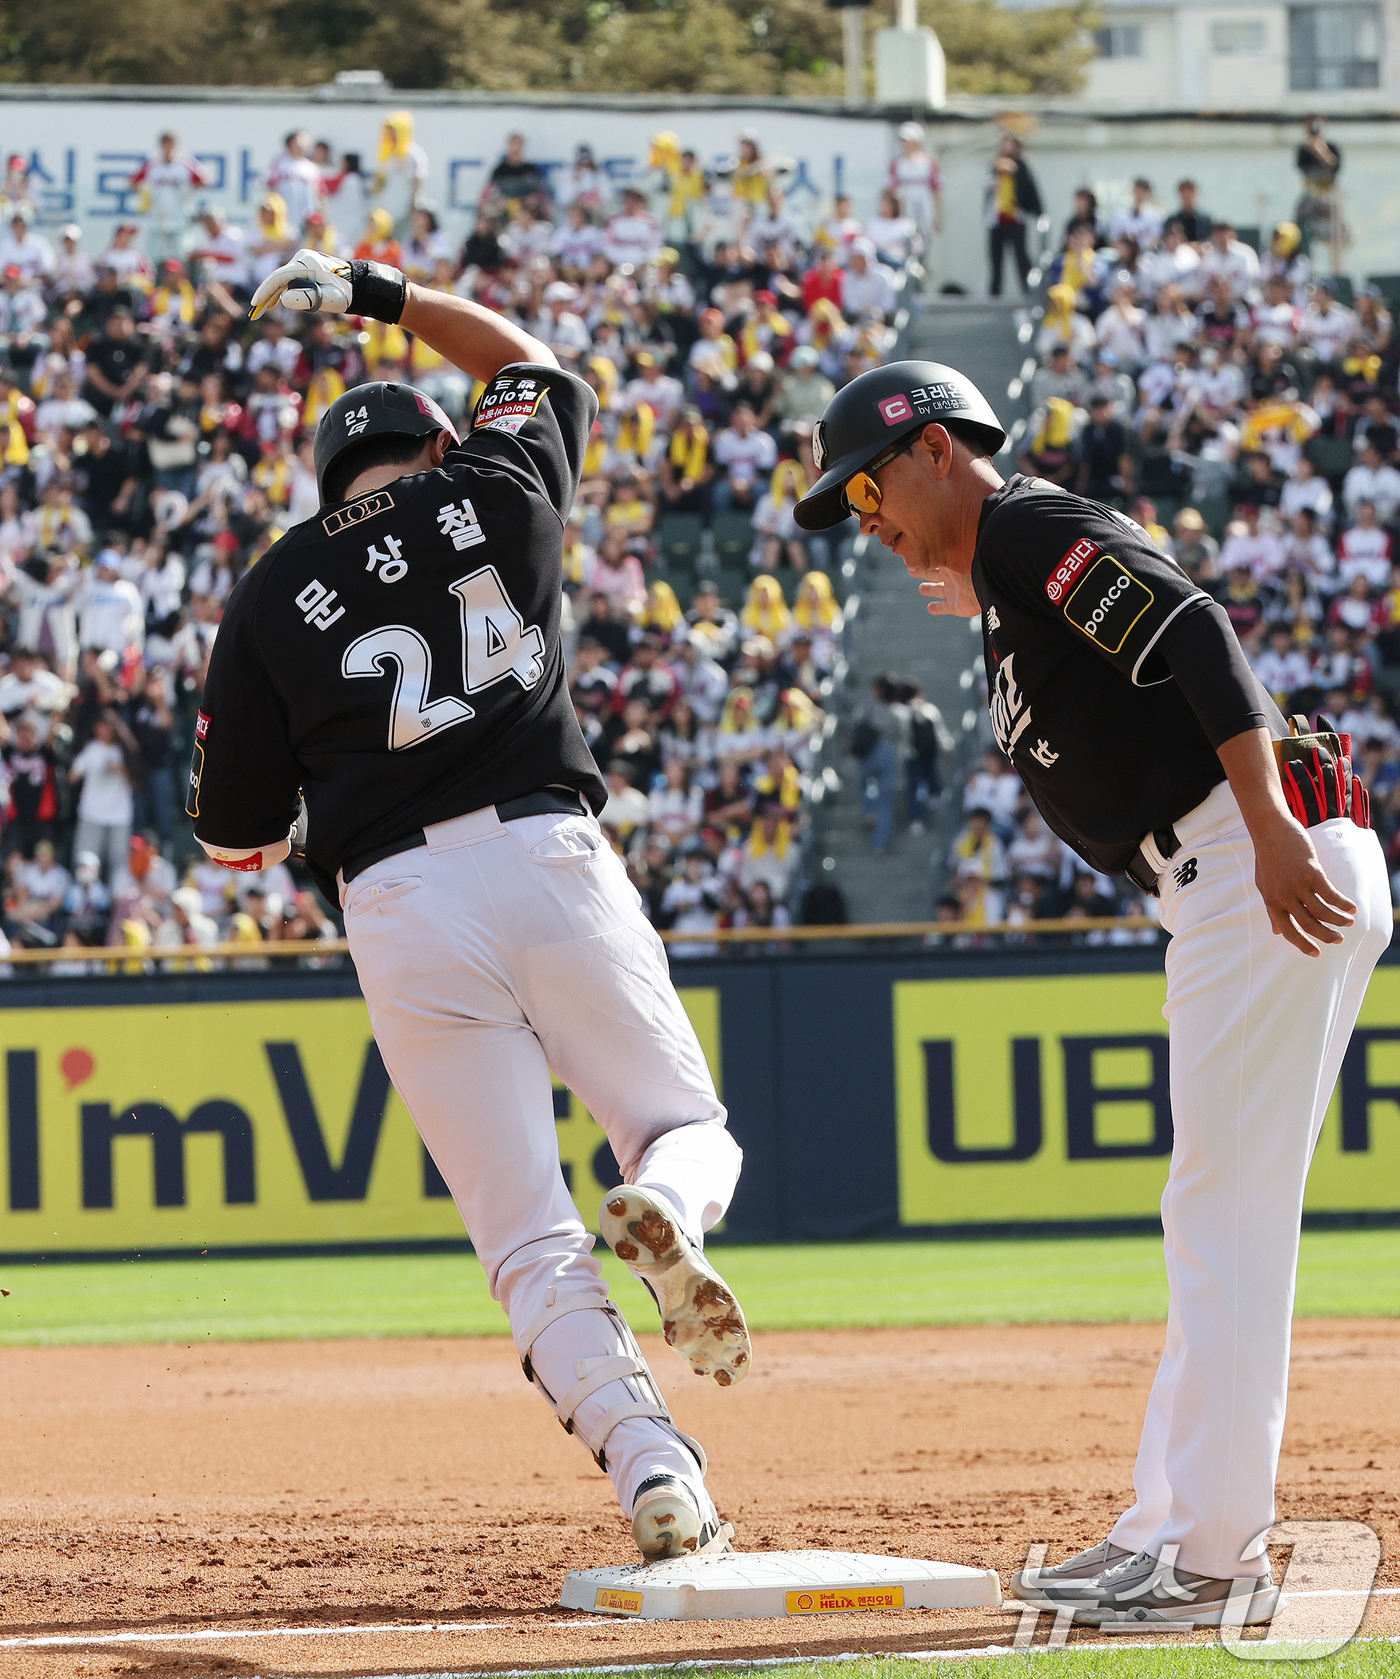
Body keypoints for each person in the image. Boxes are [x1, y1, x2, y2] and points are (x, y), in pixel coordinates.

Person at [794, 357, 1388, 1629]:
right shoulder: (1003, 574)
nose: (866, 519)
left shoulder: (1019, 526)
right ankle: (1169, 1527)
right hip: (1223, 867)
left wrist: (1269, 823)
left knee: (1220, 1218)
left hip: (1244, 856)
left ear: (934, 450)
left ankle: (1209, 1551)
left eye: (867, 487)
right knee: (1215, 1213)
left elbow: (1190, 630)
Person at [189, 242, 751, 1564]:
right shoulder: (496, 485)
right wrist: (383, 294)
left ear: (328, 479)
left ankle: (656, 1468)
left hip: (397, 901)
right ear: (440, 436)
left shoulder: (269, 590)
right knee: (683, 1120)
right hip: (549, 851)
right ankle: (668, 1201)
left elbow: (234, 835)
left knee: (526, 1236)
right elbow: (532, 364)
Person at [129, 132, 208, 265]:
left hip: (180, 216)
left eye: (170, 144)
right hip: (158, 215)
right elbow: (133, 181)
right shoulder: (153, 165)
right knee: (155, 256)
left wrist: (187, 195)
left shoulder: (185, 164)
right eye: (164, 144)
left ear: (175, 145)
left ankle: (183, 284)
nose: (167, 147)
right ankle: (158, 284)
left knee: (181, 255)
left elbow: (204, 180)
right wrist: (145, 194)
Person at [985, 134, 1042, 297]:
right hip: (997, 220)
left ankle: (1029, 292)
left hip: (1016, 219)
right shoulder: (995, 167)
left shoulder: (1022, 167)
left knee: (1021, 257)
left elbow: (1028, 190)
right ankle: (994, 294)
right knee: (996, 259)